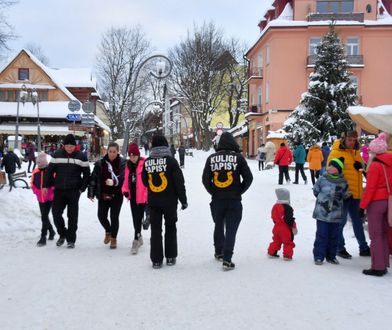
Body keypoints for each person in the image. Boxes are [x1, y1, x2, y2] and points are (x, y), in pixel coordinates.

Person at [202, 132, 253, 270]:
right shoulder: (239, 158)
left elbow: (205, 179)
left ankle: (219, 251)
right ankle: (227, 259)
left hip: (217, 200)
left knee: (218, 225)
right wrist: (239, 191)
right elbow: (249, 178)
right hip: (234, 200)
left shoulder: (211, 158)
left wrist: (213, 192)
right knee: (231, 229)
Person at [142, 135, 187, 269]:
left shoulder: (147, 162)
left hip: (154, 201)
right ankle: (171, 256)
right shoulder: (171, 161)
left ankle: (156, 260)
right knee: (170, 227)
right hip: (170, 201)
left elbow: (145, 181)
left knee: (155, 230)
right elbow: (179, 183)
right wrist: (183, 200)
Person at [327, 130, 370, 258]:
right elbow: (331, 174)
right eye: (349, 140)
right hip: (343, 195)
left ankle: (363, 247)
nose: (352, 142)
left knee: (358, 221)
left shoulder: (356, 153)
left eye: (354, 140)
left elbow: (363, 167)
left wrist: (361, 166)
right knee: (341, 222)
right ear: (344, 139)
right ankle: (339, 247)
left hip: (356, 194)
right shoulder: (335, 153)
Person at [43, 134, 90, 249]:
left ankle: (71, 239)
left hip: (74, 191)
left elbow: (87, 174)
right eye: (67, 145)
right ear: (64, 146)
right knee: (56, 213)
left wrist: (81, 189)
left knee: (72, 216)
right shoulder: (56, 154)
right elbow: (49, 171)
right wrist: (45, 185)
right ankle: (63, 234)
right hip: (59, 190)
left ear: (75, 146)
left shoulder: (81, 157)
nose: (69, 148)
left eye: (71, 146)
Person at [360, 132, 391, 276]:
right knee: (384, 233)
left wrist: (362, 206)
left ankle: (378, 266)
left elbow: (370, 189)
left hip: (376, 203)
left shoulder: (375, 165)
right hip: (389, 201)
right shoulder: (390, 162)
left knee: (376, 234)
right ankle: (384, 262)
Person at [312, 158, 351, 265]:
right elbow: (316, 190)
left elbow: (345, 194)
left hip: (336, 213)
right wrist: (322, 200)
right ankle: (319, 256)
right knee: (322, 234)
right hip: (322, 213)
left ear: (338, 169)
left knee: (334, 235)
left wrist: (347, 196)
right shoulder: (322, 179)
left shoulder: (343, 182)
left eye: (333, 166)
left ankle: (331, 256)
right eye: (329, 166)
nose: (330, 168)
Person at [88, 142, 125, 249]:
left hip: (116, 195)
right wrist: (91, 192)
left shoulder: (122, 163)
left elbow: (123, 177)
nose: (112, 154)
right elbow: (93, 178)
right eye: (110, 151)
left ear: (118, 152)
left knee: (114, 217)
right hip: (103, 194)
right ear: (107, 151)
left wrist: (114, 181)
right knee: (101, 216)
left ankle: (114, 238)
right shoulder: (100, 163)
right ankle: (108, 230)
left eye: (114, 152)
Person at [122, 143, 148, 254]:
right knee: (135, 218)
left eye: (134, 155)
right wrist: (125, 191)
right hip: (132, 195)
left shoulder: (144, 164)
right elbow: (125, 180)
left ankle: (136, 239)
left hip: (142, 196)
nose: (132, 158)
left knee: (138, 217)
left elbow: (148, 181)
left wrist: (147, 194)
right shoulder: (128, 165)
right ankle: (139, 235)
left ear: (138, 155)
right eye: (130, 156)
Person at [30, 152, 56, 246]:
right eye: (38, 164)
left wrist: (51, 191)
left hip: (50, 198)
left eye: (41, 165)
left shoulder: (50, 171)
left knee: (44, 216)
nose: (39, 166)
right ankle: (52, 231)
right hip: (40, 198)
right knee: (44, 216)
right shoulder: (36, 171)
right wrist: (36, 192)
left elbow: (55, 184)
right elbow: (32, 183)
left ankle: (43, 236)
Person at [267, 188, 297, 261]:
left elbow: (273, 216)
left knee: (276, 240)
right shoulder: (287, 207)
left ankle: (271, 252)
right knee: (288, 242)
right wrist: (293, 227)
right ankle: (287, 255)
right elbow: (289, 219)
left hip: (276, 227)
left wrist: (277, 222)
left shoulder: (275, 206)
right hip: (285, 228)